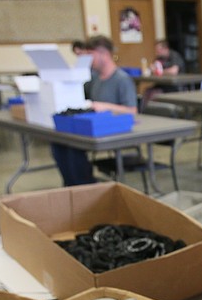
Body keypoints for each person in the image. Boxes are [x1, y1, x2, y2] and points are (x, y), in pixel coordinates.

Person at [52, 35, 138, 186]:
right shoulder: (95, 79)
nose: (87, 59)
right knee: (59, 144)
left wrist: (105, 106)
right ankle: (72, 186)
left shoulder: (122, 79)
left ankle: (84, 186)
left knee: (74, 149)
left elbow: (132, 111)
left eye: (89, 54)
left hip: (114, 129)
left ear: (103, 54)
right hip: (94, 128)